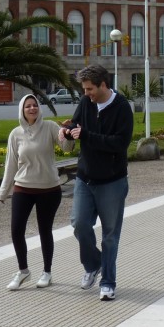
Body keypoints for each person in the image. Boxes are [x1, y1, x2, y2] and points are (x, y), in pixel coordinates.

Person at [60, 64, 134, 302]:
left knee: (110, 235)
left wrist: (86, 135)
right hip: (85, 177)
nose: (86, 93)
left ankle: (108, 283)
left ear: (103, 85)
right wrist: (68, 129)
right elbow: (76, 125)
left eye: (90, 89)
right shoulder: (86, 103)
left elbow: (119, 144)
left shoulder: (122, 107)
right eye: (84, 89)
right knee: (79, 224)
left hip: (112, 181)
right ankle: (93, 264)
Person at [0, 94, 65, 290]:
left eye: (34, 105)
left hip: (48, 189)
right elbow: (11, 164)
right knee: (16, 230)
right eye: (27, 106)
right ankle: (23, 271)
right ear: (22, 110)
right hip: (23, 187)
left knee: (45, 230)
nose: (32, 109)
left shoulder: (50, 127)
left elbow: (66, 147)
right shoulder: (15, 134)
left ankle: (47, 272)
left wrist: (67, 134)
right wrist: (4, 191)